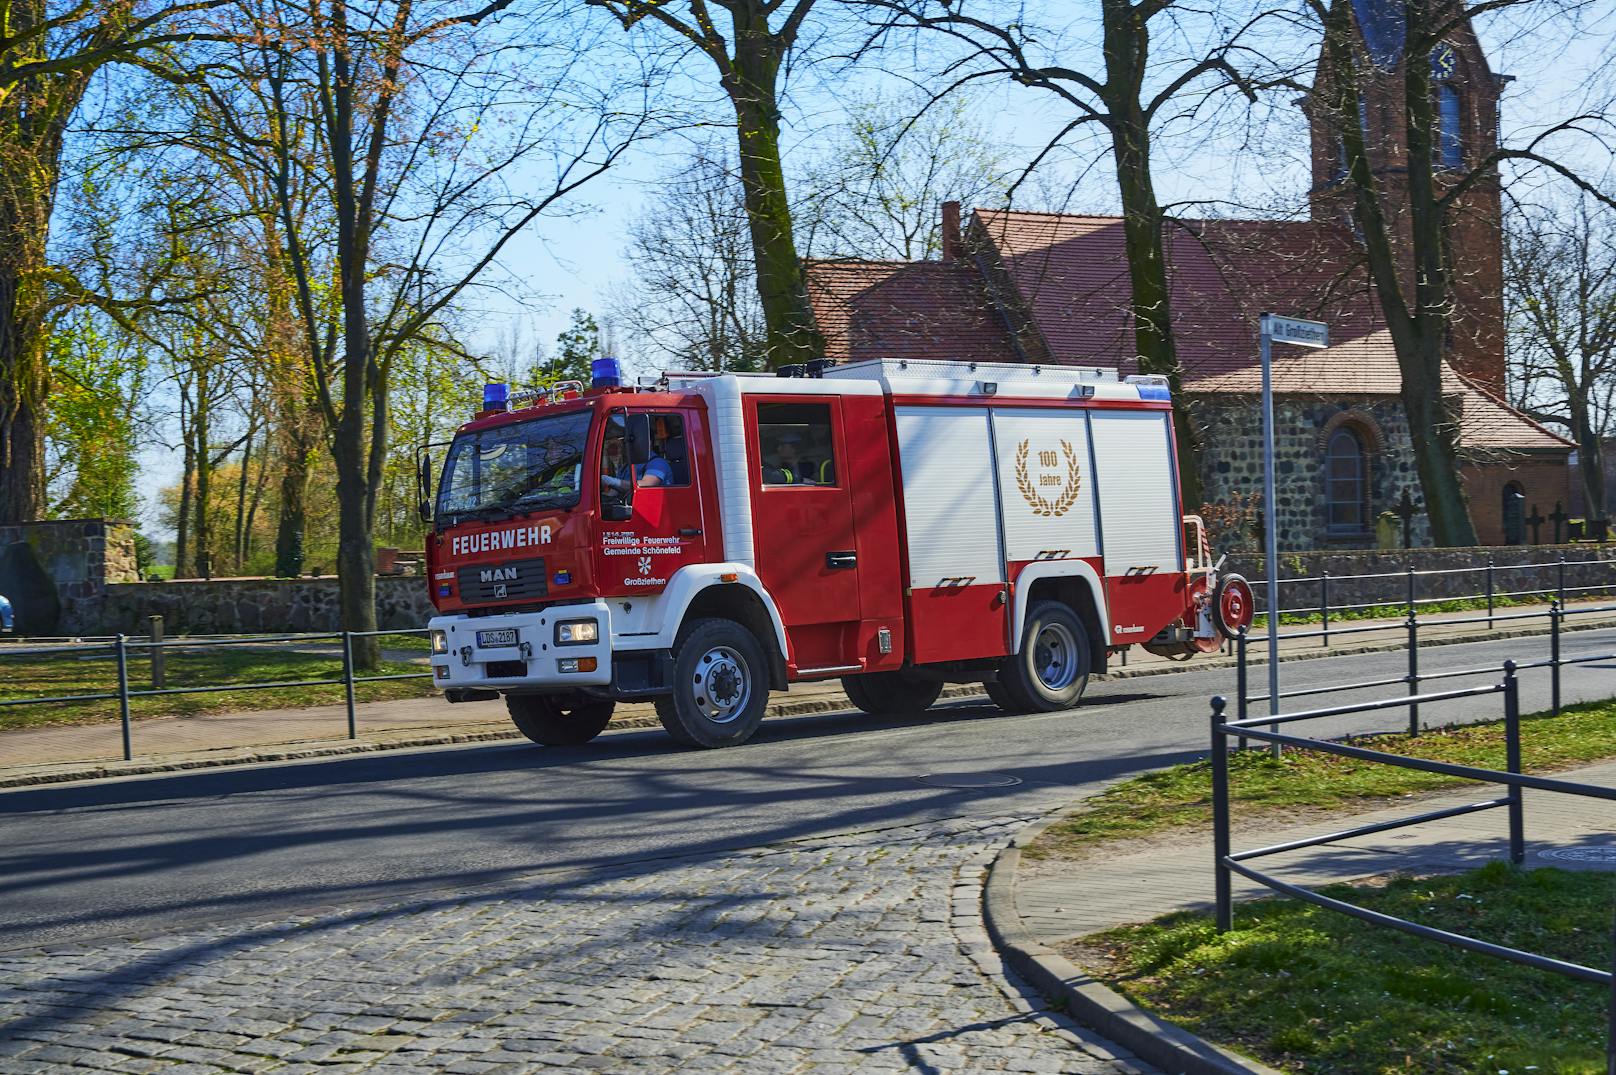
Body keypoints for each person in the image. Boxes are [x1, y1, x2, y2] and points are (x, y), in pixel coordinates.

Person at [601, 432, 671, 494]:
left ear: (649, 442)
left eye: (634, 440)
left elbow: (646, 485)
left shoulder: (658, 462)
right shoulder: (627, 465)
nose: (628, 445)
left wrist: (611, 481)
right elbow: (616, 491)